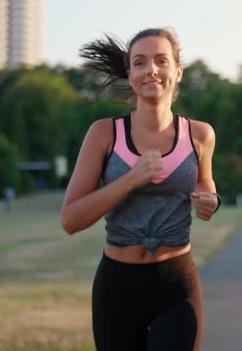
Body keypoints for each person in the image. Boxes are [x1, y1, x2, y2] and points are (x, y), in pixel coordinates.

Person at [61, 27, 220, 351]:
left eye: (161, 61)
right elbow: (71, 219)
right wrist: (130, 179)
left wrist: (210, 199)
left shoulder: (200, 135)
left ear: (177, 72)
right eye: (140, 62)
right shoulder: (104, 134)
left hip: (176, 284)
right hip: (117, 287)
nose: (151, 70)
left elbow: (205, 181)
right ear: (130, 72)